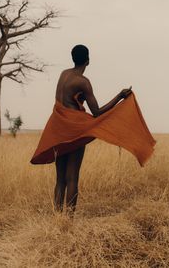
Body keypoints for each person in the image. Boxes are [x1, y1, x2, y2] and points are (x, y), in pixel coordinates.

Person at [53, 44, 132, 216]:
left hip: (57, 128)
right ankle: (68, 222)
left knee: (60, 180)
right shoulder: (83, 82)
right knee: (72, 177)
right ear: (88, 60)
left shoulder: (63, 74)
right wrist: (119, 96)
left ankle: (57, 221)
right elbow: (96, 112)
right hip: (74, 130)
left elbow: (65, 102)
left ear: (72, 58)